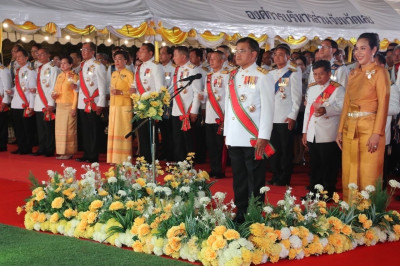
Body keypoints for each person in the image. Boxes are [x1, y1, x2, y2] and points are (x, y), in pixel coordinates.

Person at [224, 37, 275, 223]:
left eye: (242, 51)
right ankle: (240, 210)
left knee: (255, 178)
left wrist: (264, 136)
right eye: (236, 51)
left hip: (253, 137)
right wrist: (227, 135)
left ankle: (255, 213)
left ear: (254, 54)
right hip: (235, 136)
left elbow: (269, 109)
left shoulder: (263, 76)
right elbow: (228, 107)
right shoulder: (232, 75)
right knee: (239, 177)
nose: (237, 54)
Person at [337, 33, 390, 201]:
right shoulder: (352, 73)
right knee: (349, 171)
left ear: (374, 50)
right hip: (350, 129)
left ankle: (369, 217)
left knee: (368, 174)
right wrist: (339, 130)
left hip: (370, 129)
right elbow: (346, 103)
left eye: (363, 48)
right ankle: (350, 212)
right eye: (356, 49)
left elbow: (383, 104)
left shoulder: (380, 73)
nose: (358, 53)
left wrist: (377, 133)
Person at [302, 60, 345, 197]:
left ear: (328, 73)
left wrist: (326, 110)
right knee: (314, 165)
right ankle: (314, 192)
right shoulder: (312, 88)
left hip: (328, 132)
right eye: (315, 74)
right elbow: (308, 112)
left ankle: (327, 193)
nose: (318, 77)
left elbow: (343, 108)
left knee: (328, 165)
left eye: (321, 74)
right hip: (313, 132)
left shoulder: (338, 89)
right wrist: (304, 132)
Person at [268, 43, 302, 186]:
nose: (277, 57)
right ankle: (275, 174)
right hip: (271, 118)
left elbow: (297, 96)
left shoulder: (293, 72)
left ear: (288, 57)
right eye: (275, 54)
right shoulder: (270, 73)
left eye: (281, 54)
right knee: (273, 150)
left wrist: (293, 116)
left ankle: (284, 177)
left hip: (285, 117)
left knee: (285, 150)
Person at [199, 50, 229, 178]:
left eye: (214, 58)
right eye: (210, 58)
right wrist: (202, 96)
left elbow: (228, 97)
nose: (211, 61)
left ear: (222, 61)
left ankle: (220, 170)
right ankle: (213, 168)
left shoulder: (227, 75)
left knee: (219, 145)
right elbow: (206, 95)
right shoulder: (209, 76)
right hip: (210, 116)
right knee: (211, 145)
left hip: (220, 115)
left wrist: (226, 116)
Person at [76, 42, 107, 163]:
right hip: (83, 102)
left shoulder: (97, 65)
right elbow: (82, 82)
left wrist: (101, 103)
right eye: (82, 50)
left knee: (93, 130)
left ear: (92, 52)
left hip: (94, 102)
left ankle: (93, 155)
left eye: (86, 50)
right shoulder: (83, 65)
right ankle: (87, 153)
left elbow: (102, 85)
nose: (83, 52)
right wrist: (76, 86)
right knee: (85, 129)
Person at [134, 43, 164, 162]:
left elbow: (160, 88)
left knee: (150, 134)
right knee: (142, 134)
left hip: (151, 105)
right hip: (140, 105)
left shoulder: (156, 66)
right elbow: (135, 85)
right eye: (139, 50)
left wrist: (156, 105)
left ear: (151, 53)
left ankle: (151, 159)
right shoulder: (139, 67)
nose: (139, 53)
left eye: (142, 51)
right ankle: (143, 159)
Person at [171, 46, 202, 162]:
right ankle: (179, 163)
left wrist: (194, 111)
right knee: (177, 139)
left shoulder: (193, 70)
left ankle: (188, 164)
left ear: (183, 57)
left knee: (188, 140)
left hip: (187, 110)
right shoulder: (177, 69)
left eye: (175, 55)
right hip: (176, 110)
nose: (173, 58)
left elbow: (197, 93)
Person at [3, 48, 36, 155]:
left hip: (24, 103)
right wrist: (10, 91)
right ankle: (21, 147)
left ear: (26, 58)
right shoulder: (18, 71)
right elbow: (17, 88)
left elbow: (32, 90)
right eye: (16, 57)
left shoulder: (30, 71)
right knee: (18, 128)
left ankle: (27, 148)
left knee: (27, 128)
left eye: (20, 57)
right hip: (16, 103)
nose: (18, 59)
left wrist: (31, 106)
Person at [374, 53, 400, 188]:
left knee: (378, 171)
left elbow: (395, 109)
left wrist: (375, 108)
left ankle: (378, 199)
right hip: (363, 131)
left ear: (382, 66)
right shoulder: (363, 85)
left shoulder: (392, 87)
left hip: (380, 134)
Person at [107, 50, 134, 164]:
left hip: (124, 106)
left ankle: (123, 159)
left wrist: (122, 93)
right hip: (113, 106)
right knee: (113, 131)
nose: (117, 61)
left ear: (125, 60)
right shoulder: (113, 73)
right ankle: (113, 158)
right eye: (115, 59)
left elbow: (133, 92)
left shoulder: (129, 74)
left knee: (123, 131)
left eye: (120, 59)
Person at [33, 48, 60, 157]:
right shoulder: (39, 68)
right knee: (40, 128)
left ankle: (49, 149)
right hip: (39, 102)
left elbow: (54, 86)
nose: (39, 56)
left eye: (42, 54)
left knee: (48, 128)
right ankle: (42, 147)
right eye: (38, 55)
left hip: (47, 101)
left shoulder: (52, 68)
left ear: (48, 55)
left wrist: (51, 103)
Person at [52, 56, 78, 160]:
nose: (62, 65)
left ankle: (69, 152)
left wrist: (74, 107)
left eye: (65, 63)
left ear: (71, 65)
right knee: (60, 130)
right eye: (61, 63)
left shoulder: (73, 76)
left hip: (69, 105)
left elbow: (76, 93)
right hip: (60, 105)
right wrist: (54, 95)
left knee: (69, 129)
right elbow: (55, 89)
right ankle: (61, 151)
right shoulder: (59, 76)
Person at [158, 46, 175, 161]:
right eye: (160, 53)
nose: (161, 56)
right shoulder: (157, 67)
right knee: (162, 129)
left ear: (170, 55)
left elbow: (173, 85)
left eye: (163, 53)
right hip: (158, 102)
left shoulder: (173, 68)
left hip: (169, 101)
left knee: (169, 129)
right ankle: (163, 151)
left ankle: (170, 153)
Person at [293, 55, 308, 164]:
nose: (299, 66)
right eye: (297, 64)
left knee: (301, 134)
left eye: (301, 64)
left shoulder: (309, 76)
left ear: (305, 66)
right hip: (295, 109)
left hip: (304, 109)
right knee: (295, 135)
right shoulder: (292, 75)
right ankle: (295, 155)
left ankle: (301, 155)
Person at [0, 62, 12, 151]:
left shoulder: (3, 70)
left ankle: (2, 145)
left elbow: (7, 86)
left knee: (1, 123)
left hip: (1, 98)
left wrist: (5, 101)